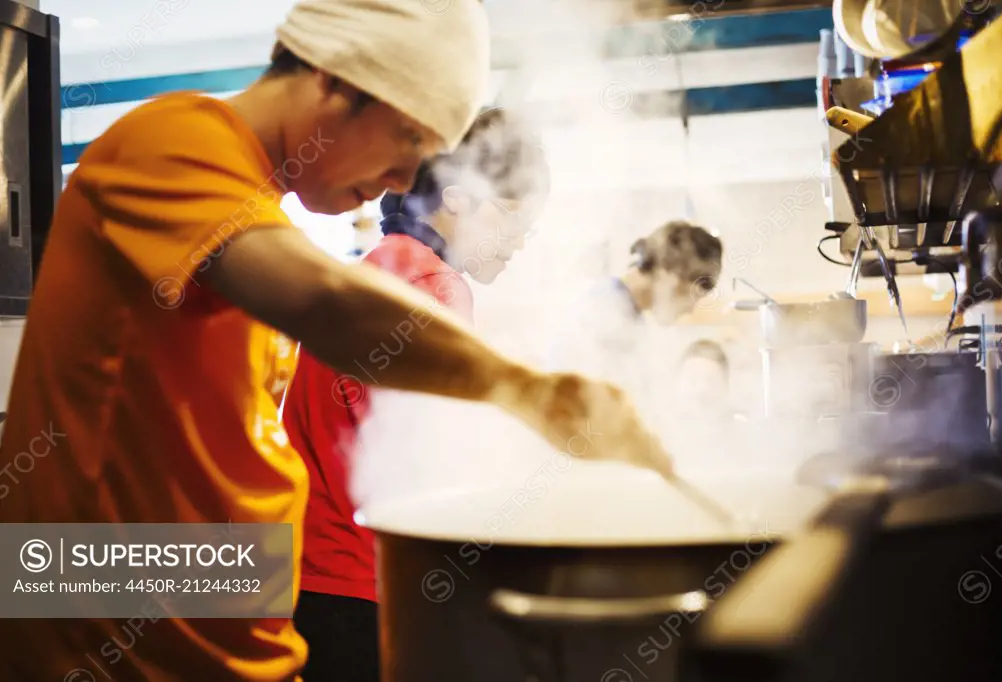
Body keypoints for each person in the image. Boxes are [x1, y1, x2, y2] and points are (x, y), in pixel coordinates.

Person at [0, 2, 671, 681]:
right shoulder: (174, 142)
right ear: (334, 81)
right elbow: (329, 306)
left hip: (231, 624)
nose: (409, 183)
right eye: (408, 141)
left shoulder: (253, 209)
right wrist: (528, 391)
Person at [282, 107, 549, 682]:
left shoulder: (379, 268)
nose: (522, 240)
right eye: (516, 216)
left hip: (315, 577)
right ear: (458, 197)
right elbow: (444, 462)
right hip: (373, 585)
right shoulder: (434, 284)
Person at [549, 220, 724, 391]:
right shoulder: (604, 308)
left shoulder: (628, 313)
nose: (690, 309)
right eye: (692, 296)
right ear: (670, 275)